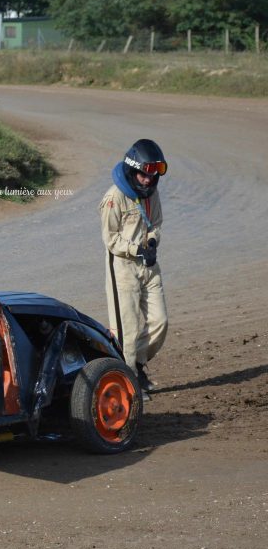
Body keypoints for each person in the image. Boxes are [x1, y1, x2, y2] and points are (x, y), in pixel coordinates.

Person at [101, 139, 168, 397]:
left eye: (153, 176)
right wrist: (136, 249)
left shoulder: (152, 193)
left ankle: (137, 365)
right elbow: (110, 238)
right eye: (144, 174)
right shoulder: (113, 197)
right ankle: (128, 386)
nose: (148, 180)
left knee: (160, 322)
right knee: (126, 333)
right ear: (132, 170)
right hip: (123, 267)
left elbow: (157, 223)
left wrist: (151, 242)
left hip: (149, 265)